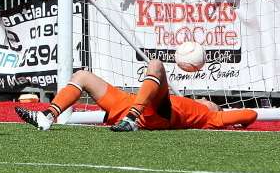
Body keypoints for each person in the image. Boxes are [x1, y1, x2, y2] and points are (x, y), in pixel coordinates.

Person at [17, 59, 257, 131]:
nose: (209, 102)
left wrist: (230, 122)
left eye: (213, 103)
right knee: (82, 75)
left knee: (155, 66)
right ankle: (47, 116)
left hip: (156, 114)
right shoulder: (200, 107)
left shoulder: (210, 118)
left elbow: (251, 113)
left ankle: (131, 120)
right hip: (128, 104)